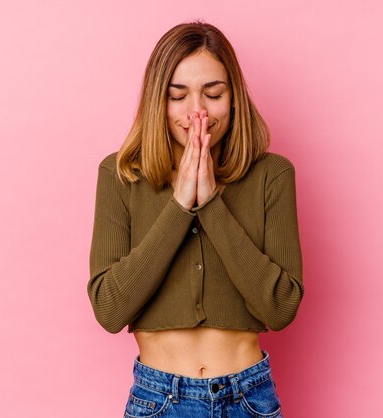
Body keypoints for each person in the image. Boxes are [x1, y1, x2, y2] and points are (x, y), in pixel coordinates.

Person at [87, 20, 304, 418]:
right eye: (177, 95)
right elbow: (109, 309)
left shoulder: (272, 174)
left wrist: (210, 204)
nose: (197, 111)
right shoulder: (120, 175)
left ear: (233, 97)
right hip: (158, 399)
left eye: (214, 93)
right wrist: (180, 204)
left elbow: (281, 307)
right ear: (158, 100)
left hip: (248, 398)